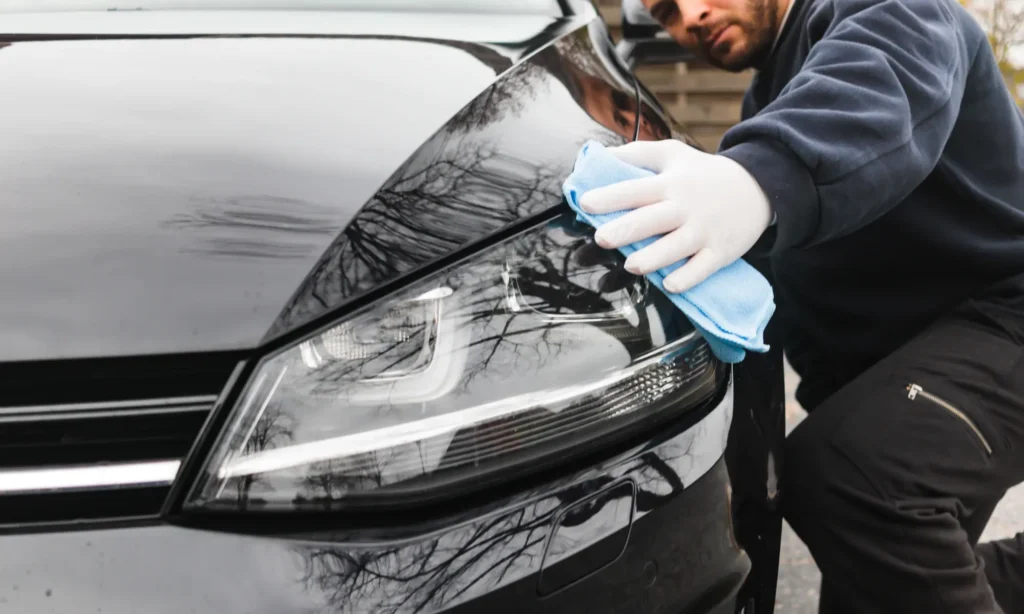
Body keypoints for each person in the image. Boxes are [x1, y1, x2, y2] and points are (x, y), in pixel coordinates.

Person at [577, 0, 1024, 611]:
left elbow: (885, 72)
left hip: (1007, 317)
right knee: (884, 577)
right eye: (666, 12)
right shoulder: (766, 104)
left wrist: (760, 177)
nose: (693, 16)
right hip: (910, 370)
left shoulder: (881, 12)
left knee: (851, 480)